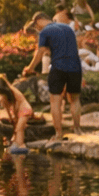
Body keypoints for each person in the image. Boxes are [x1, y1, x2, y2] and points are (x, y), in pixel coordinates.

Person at [21, 8, 82, 139]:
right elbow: (70, 48)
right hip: (75, 67)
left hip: (58, 68)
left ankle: (58, 134)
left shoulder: (45, 31)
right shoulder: (68, 28)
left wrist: (30, 68)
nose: (36, 28)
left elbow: (40, 53)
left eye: (35, 25)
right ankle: (77, 129)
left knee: (55, 101)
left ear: (39, 20)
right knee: (74, 99)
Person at [0, 75, 35, 154]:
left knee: (19, 128)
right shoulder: (5, 98)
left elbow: (17, 105)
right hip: (17, 112)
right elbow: (8, 110)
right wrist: (12, 119)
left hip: (24, 110)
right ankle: (16, 143)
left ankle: (21, 145)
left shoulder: (13, 92)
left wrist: (15, 118)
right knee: (16, 128)